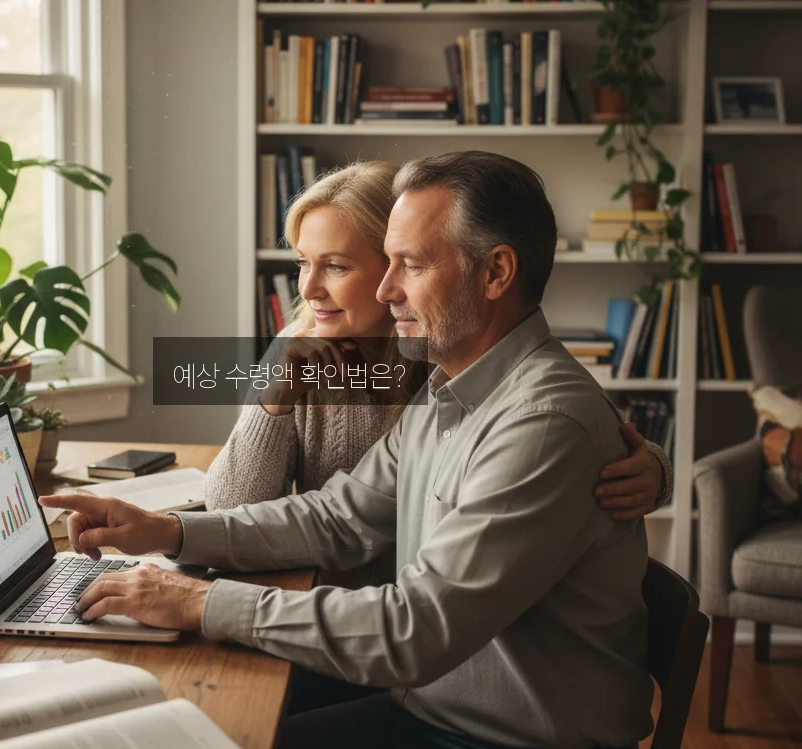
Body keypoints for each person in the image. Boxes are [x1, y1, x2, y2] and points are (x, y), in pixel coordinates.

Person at [41, 151, 658, 749]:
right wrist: (171, 531)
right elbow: (339, 517)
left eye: (410, 265)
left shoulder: (541, 423)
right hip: (427, 717)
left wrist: (200, 601)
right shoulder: (452, 385)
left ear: (495, 274)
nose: (388, 287)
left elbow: (413, 630)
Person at [207, 159, 672, 522]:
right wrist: (272, 403)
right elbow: (229, 510)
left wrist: (654, 470)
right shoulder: (296, 350)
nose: (308, 289)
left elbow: (560, 423)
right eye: (303, 262)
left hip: (418, 616)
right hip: (326, 599)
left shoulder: (457, 348)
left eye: (336, 266)